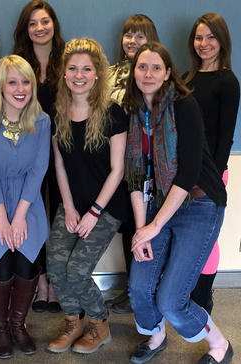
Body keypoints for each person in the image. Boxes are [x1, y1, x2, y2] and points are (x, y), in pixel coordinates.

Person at [124, 42, 233, 364]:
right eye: (142, 66)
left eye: (156, 67)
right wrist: (142, 228)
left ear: (168, 73)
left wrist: (153, 227)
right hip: (158, 204)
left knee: (171, 299)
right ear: (134, 71)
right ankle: (156, 337)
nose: (148, 73)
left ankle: (220, 344)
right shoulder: (134, 113)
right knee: (139, 288)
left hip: (199, 205)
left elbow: (185, 174)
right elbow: (133, 174)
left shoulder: (183, 106)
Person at [46, 38, 129, 354]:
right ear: (64, 73)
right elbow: (59, 164)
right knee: (56, 266)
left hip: (106, 207)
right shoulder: (58, 112)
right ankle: (72, 322)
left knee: (77, 270)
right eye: (72, 68)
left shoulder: (112, 112)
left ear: (97, 74)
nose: (79, 75)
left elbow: (117, 171)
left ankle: (99, 324)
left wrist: (93, 211)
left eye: (86, 69)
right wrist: (68, 207)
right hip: (71, 203)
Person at [0, 55, 50, 358]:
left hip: (27, 203)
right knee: (1, 266)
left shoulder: (41, 119)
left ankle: (18, 325)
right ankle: (0, 328)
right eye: (12, 81)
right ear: (0, 86)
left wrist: (20, 218)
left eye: (26, 81)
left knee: (27, 265)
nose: (20, 88)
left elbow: (38, 169)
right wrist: (4, 221)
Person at [184, 13, 240, 315]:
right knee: (188, 233)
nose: (204, 44)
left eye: (211, 37)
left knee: (207, 235)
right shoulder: (187, 77)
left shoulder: (228, 82)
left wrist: (211, 181)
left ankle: (203, 294)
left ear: (222, 41)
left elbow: (225, 137)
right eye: (199, 37)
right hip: (184, 170)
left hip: (211, 173)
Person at [13, 0, 65, 314]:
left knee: (59, 216)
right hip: (28, 152)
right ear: (26, 29)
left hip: (63, 152)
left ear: (53, 25)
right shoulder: (18, 64)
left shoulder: (68, 59)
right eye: (33, 23)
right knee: (33, 215)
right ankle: (40, 283)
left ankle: (58, 283)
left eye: (44, 21)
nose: (40, 28)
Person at [105, 14, 159, 314]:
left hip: (145, 165)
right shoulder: (110, 73)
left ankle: (145, 290)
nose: (132, 41)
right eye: (128, 35)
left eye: (140, 36)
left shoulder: (156, 75)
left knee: (146, 226)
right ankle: (131, 288)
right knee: (127, 227)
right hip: (116, 163)